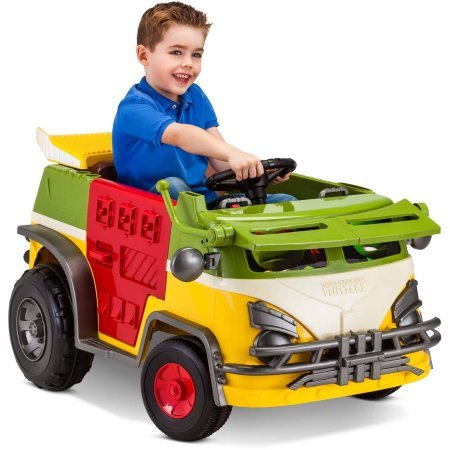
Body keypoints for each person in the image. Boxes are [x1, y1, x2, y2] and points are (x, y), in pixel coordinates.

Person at [112, 2, 296, 206]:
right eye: (176, 52)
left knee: (286, 201)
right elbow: (180, 135)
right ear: (144, 55)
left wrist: (255, 169)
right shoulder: (133, 108)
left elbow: (218, 157)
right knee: (173, 185)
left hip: (201, 202)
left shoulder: (195, 96)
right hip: (147, 205)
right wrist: (232, 153)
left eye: (196, 55)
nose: (188, 63)